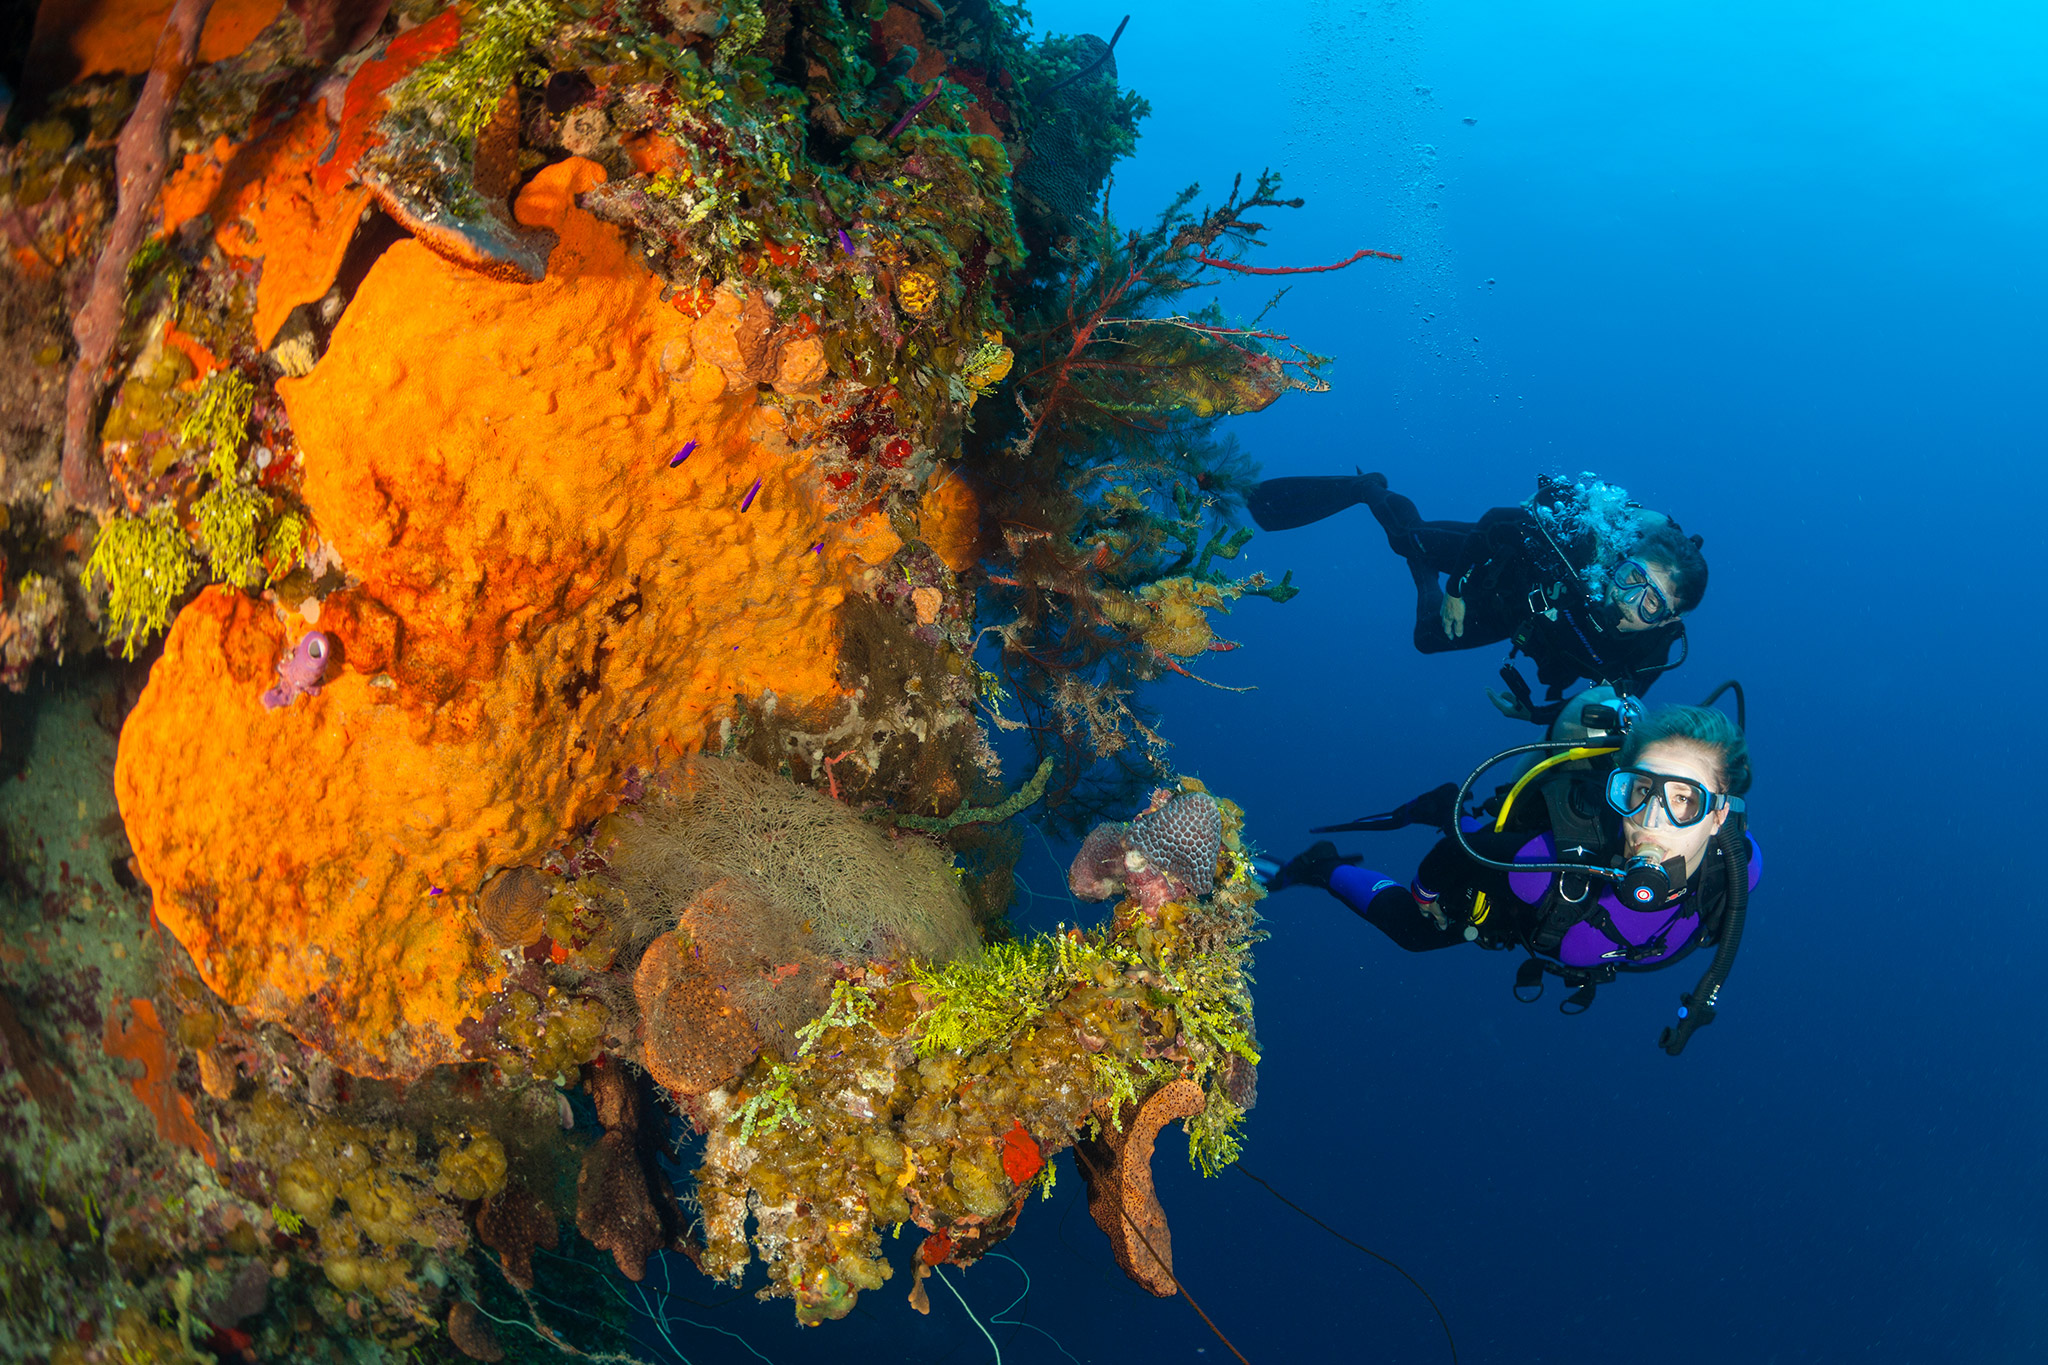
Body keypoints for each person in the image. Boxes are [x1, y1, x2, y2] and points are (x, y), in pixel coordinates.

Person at [1262, 704, 1758, 1022]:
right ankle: (1319, 865)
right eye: (1640, 790)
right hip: (1515, 909)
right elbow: (1458, 854)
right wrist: (1424, 895)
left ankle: (1450, 809)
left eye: (1684, 801)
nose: (1651, 819)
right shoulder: (1548, 864)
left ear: (1719, 816)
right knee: (1413, 932)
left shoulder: (1739, 874)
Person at [1247, 470, 1708, 719]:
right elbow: (1498, 521)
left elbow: (1609, 711)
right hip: (1498, 564)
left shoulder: (1650, 655)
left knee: (1426, 638)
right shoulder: (1585, 551)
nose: (1627, 600)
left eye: (1651, 603)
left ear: (1671, 619)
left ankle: (1424, 571)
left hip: (1517, 615)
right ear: (1622, 561)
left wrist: (1535, 714)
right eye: (1631, 578)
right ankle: (1366, 487)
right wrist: (1457, 588)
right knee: (1406, 538)